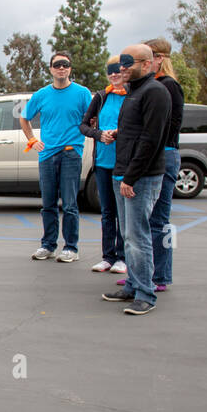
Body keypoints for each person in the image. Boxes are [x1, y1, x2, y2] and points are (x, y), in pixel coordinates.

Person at [101, 44, 170, 315]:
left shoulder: (155, 92)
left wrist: (131, 177)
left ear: (146, 63)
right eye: (121, 63)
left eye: (128, 63)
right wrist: (120, 133)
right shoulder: (133, 92)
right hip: (123, 173)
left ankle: (145, 294)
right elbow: (136, 130)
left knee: (138, 236)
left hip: (141, 177)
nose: (122, 68)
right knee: (128, 236)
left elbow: (151, 140)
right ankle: (132, 285)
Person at [19, 52, 93, 261]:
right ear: (50, 69)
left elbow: (91, 119)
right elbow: (24, 119)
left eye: (65, 65)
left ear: (70, 68)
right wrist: (32, 140)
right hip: (47, 155)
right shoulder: (41, 95)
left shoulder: (82, 93)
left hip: (71, 154)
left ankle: (71, 248)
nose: (61, 68)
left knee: (69, 204)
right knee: (48, 203)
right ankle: (48, 245)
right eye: (57, 65)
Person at [79, 56, 127, 275]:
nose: (115, 75)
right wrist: (99, 134)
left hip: (125, 164)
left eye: (118, 71)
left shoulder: (133, 96)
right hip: (102, 162)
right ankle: (108, 256)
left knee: (125, 212)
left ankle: (123, 256)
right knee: (107, 212)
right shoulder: (101, 97)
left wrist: (117, 134)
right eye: (111, 72)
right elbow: (83, 126)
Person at [144, 37, 184, 292]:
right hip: (152, 156)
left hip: (164, 156)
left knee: (160, 220)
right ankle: (145, 272)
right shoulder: (152, 85)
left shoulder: (169, 87)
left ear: (159, 59)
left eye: (146, 58)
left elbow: (169, 126)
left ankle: (161, 275)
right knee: (145, 221)